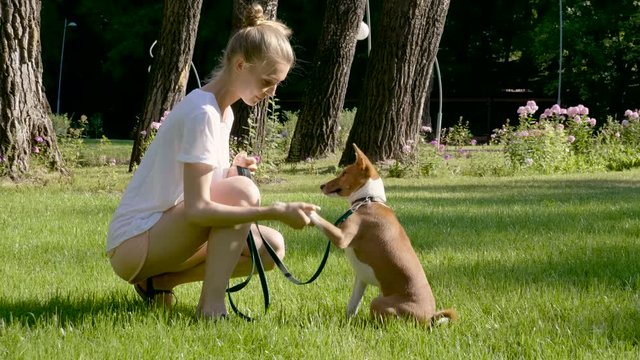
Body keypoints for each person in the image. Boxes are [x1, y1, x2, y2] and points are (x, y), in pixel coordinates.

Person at [106, 3, 318, 320]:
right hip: (134, 242)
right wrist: (276, 210)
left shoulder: (222, 113)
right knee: (243, 192)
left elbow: (202, 190)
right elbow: (198, 208)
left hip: (161, 237)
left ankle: (160, 283)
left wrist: (232, 170)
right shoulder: (202, 112)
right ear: (241, 65)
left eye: (277, 84)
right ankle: (211, 308)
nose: (271, 92)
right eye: (267, 81)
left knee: (272, 247)